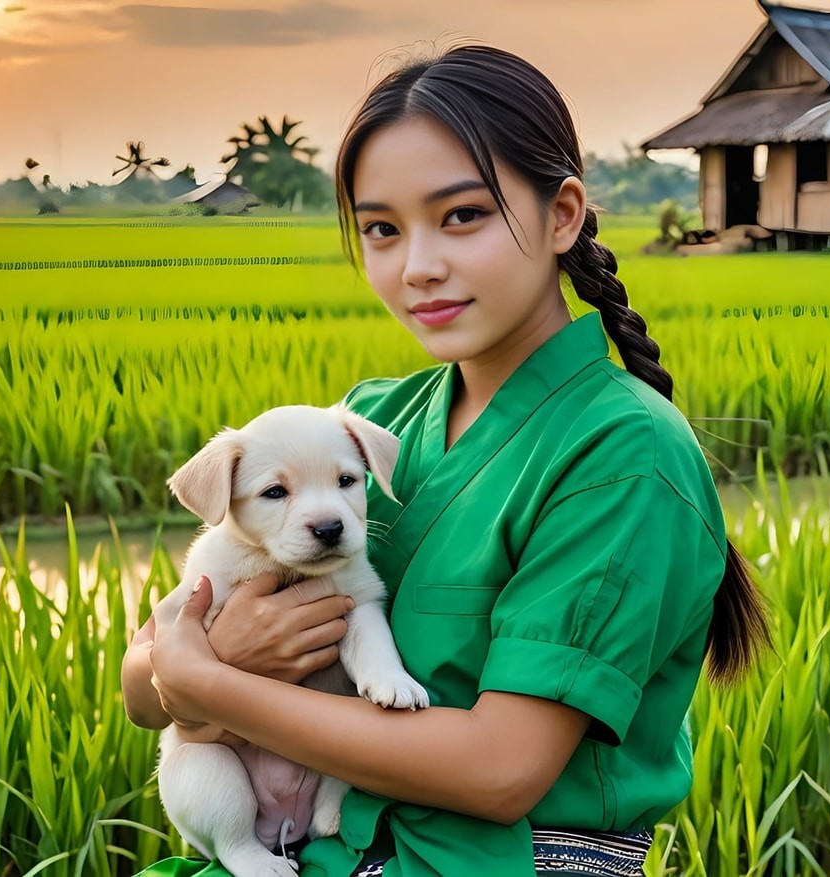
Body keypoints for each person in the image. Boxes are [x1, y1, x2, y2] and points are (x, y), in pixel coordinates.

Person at [121, 43, 770, 877]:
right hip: (324, 849)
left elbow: (501, 771)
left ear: (563, 214)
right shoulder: (365, 423)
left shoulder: (621, 453)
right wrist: (201, 664)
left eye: (461, 215)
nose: (418, 267)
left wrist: (213, 683)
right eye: (382, 230)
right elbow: (147, 690)